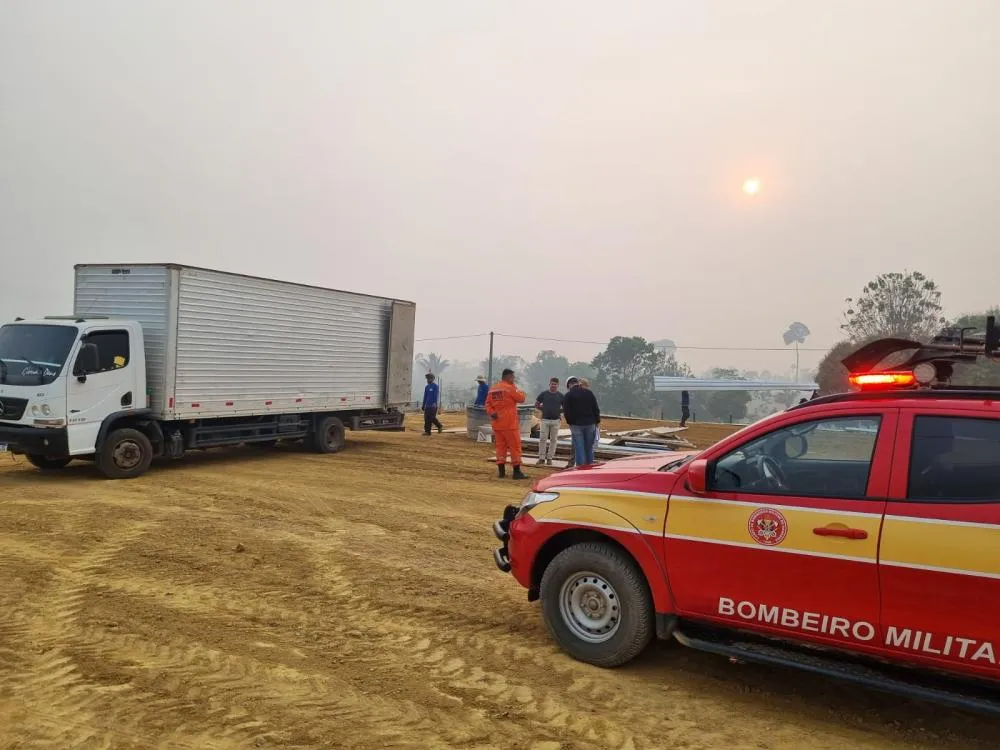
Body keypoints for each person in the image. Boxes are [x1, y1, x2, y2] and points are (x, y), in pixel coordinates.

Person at [485, 368, 527, 479]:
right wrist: (521, 391)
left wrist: (492, 412)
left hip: (497, 424)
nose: (514, 379)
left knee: (500, 448)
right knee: (515, 447)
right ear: (508, 377)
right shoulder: (510, 388)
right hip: (510, 424)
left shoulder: (493, 389)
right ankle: (517, 472)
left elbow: (487, 404)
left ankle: (501, 472)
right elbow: (521, 398)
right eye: (513, 377)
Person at [563, 376, 600, 466]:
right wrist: (597, 421)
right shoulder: (589, 393)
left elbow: (566, 412)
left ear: (569, 385)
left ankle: (581, 469)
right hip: (590, 423)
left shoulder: (568, 395)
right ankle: (590, 467)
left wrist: (570, 422)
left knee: (579, 448)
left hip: (576, 425)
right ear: (577, 383)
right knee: (589, 448)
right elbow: (595, 408)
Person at [534, 377, 563, 465]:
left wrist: (559, 411)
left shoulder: (561, 395)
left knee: (553, 440)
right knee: (543, 439)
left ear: (558, 385)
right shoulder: (544, 394)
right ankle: (541, 458)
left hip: (556, 421)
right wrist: (543, 409)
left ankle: (550, 458)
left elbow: (566, 406)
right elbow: (536, 403)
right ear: (549, 384)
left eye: (555, 384)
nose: (553, 386)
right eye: (552, 384)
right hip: (545, 420)